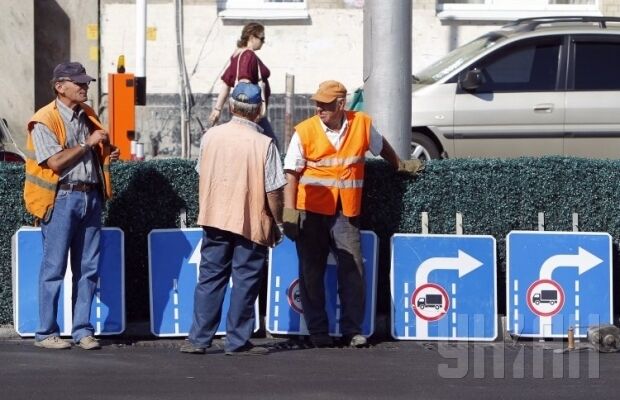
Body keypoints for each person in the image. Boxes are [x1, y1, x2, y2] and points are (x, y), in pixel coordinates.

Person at [282, 80, 421, 348]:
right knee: (311, 272)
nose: (319, 109)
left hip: (346, 211)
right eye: (317, 104)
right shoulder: (305, 131)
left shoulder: (362, 124)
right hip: (311, 212)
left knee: (353, 269)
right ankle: (318, 332)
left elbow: (382, 147)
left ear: (341, 104)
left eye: (324, 105)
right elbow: (291, 173)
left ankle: (352, 330)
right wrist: (290, 212)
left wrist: (399, 165)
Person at [182, 82, 285, 356]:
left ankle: (198, 339)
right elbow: (274, 190)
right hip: (250, 220)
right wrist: (278, 222)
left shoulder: (211, 137)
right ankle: (237, 341)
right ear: (259, 111)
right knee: (245, 280)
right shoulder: (264, 143)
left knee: (210, 278)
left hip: (214, 217)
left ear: (230, 107)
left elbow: (201, 173)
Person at [23, 61, 120, 350]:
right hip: (61, 198)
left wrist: (104, 154)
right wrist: (90, 144)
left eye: (86, 81)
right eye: (79, 82)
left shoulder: (86, 115)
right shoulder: (44, 120)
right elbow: (55, 162)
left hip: (90, 196)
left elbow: (89, 153)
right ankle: (45, 333)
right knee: (53, 268)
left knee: (88, 268)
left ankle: (82, 331)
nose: (85, 86)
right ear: (60, 86)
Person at [207, 22, 278, 148]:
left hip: (244, 111)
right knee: (271, 145)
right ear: (251, 37)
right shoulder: (248, 55)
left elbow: (226, 83)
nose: (263, 42)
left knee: (248, 145)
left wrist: (217, 109)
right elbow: (244, 83)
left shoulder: (237, 55)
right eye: (262, 39)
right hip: (252, 112)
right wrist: (254, 110)